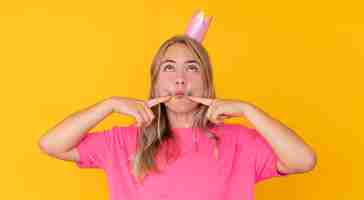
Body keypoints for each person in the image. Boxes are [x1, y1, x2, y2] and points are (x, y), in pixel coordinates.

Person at [38, 10, 317, 200]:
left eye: (192, 68)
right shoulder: (123, 141)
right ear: (156, 83)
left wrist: (249, 110)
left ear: (206, 82)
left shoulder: (240, 142)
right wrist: (108, 105)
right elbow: (52, 144)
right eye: (169, 68)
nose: (180, 79)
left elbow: (303, 160)